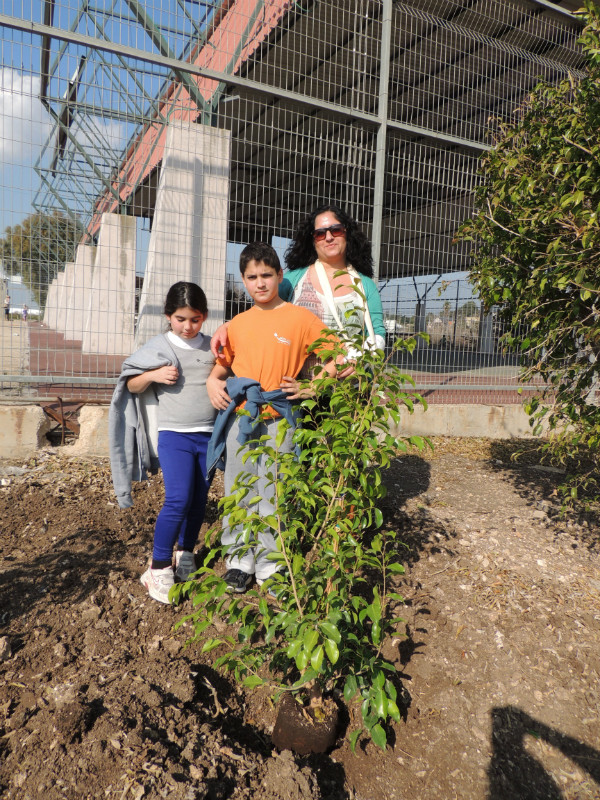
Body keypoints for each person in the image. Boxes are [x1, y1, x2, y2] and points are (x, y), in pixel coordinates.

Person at [205, 242, 339, 595]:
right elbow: (221, 369)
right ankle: (238, 561)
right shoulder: (238, 324)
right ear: (244, 281)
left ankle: (270, 563)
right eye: (252, 277)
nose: (260, 283)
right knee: (238, 487)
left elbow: (340, 359)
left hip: (281, 419)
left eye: (267, 275)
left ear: (280, 276)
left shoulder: (301, 319)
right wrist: (210, 383)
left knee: (273, 490)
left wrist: (313, 387)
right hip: (242, 417)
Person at [109, 282, 219, 605]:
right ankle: (157, 567)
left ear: (204, 317)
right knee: (178, 498)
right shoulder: (160, 347)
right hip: (174, 436)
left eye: (195, 320)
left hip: (208, 435)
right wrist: (154, 376)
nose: (187, 327)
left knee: (200, 499)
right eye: (181, 319)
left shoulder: (212, 348)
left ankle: (185, 554)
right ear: (168, 316)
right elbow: (130, 381)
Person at [210, 204, 386, 365]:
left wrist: (358, 362)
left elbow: (377, 332)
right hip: (298, 392)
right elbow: (263, 309)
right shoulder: (293, 280)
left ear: (347, 233)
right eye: (320, 233)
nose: (329, 237)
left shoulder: (365, 285)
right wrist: (228, 327)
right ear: (312, 240)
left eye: (336, 230)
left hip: (352, 391)